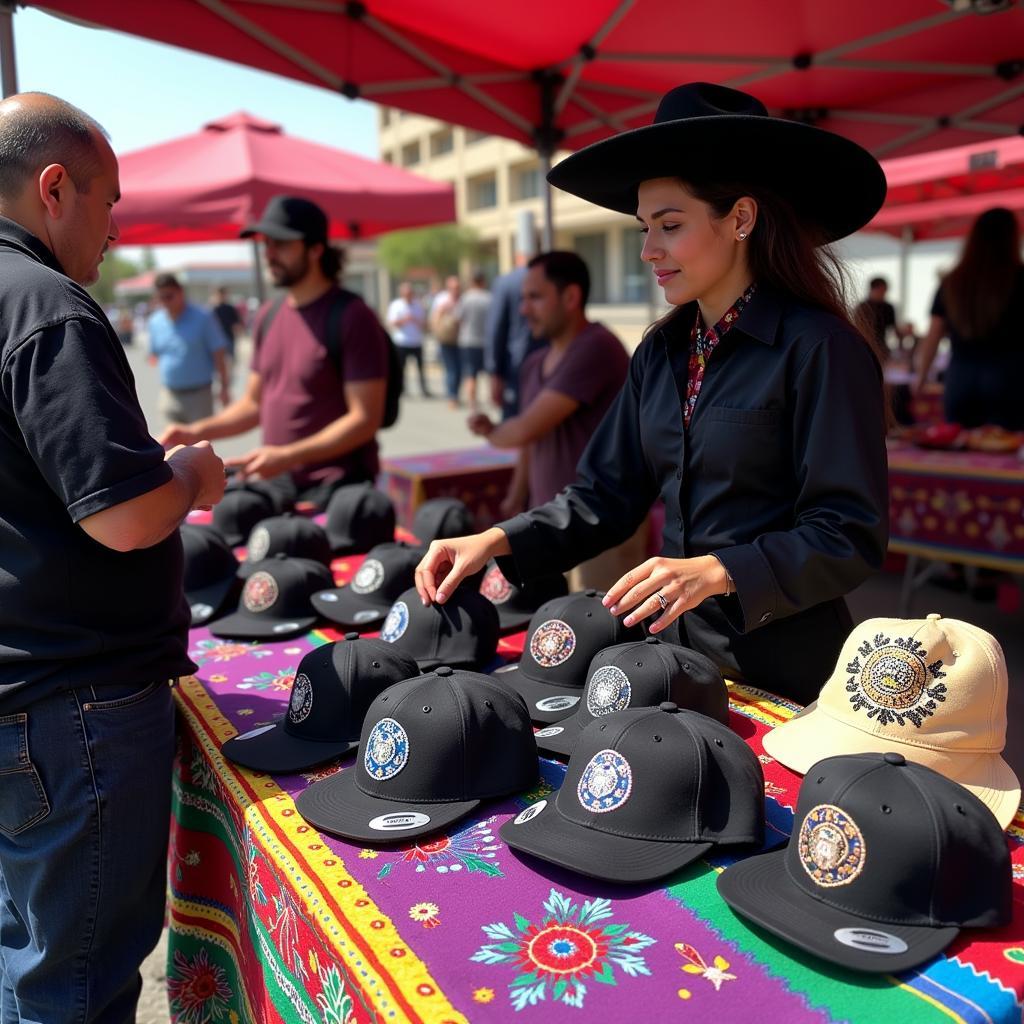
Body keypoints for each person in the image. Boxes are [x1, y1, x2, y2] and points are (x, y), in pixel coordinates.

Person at [415, 81, 890, 705]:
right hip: (673, 664)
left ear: (741, 218)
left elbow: (848, 534)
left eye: (669, 225)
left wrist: (719, 571)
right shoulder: (662, 351)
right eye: (644, 227)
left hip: (789, 672)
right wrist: (495, 541)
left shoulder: (820, 349)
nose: (647, 250)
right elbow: (604, 495)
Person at [0, 93, 226, 1021]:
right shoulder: (48, 304)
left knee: (31, 957)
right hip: (72, 702)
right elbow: (124, 520)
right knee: (74, 982)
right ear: (56, 188)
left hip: (26, 689)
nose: (116, 227)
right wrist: (188, 477)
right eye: (109, 200)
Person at [160, 195, 389, 509]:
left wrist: (286, 455)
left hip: (337, 489)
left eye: (281, 244)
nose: (269, 254)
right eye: (266, 244)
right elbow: (254, 404)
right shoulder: (269, 314)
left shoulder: (352, 315)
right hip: (278, 484)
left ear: (316, 249)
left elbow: (365, 419)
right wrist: (194, 431)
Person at [469, 251, 642, 590]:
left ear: (571, 297)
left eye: (535, 297)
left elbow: (524, 428)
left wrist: (491, 430)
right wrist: (516, 496)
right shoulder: (535, 362)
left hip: (599, 525)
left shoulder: (596, 347)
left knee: (602, 629)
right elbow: (532, 440)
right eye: (523, 299)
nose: (524, 310)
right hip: (550, 524)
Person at [915, 207, 1024, 430]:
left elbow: (934, 335)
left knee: (957, 449)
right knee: (1005, 452)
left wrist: (921, 377)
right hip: (1010, 379)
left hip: (960, 378)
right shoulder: (1020, 278)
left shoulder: (954, 281)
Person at [147, 272, 231, 425]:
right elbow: (154, 353)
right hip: (169, 394)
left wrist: (224, 387)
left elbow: (219, 353)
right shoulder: (155, 322)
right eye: (161, 298)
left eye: (169, 296)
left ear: (181, 293)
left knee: (199, 446)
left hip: (199, 395)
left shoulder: (203, 317)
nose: (165, 302)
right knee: (171, 446)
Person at [485, 255, 543, 418]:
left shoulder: (507, 282)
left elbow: (495, 329)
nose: (525, 309)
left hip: (517, 366)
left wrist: (495, 372)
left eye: (536, 298)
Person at [454, 270, 491, 413]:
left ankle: (472, 403)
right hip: (485, 341)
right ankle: (491, 398)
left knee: (471, 374)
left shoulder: (466, 298)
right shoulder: (489, 298)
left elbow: (457, 319)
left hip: (468, 341)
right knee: (488, 372)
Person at [387, 280, 430, 397]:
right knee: (401, 368)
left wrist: (415, 320)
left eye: (410, 293)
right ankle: (402, 389)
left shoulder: (418, 305)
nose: (409, 295)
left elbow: (424, 323)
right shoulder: (396, 305)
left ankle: (424, 389)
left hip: (416, 341)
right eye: (406, 293)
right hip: (402, 341)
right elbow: (391, 322)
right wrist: (404, 320)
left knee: (420, 368)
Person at [855, 276, 912, 356]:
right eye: (882, 291)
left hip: (881, 347)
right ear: (873, 289)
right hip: (864, 346)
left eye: (885, 291)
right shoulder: (863, 308)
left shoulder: (887, 308)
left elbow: (894, 329)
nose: (884, 294)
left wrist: (904, 334)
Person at [429, 274, 462, 407]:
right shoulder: (441, 300)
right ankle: (452, 395)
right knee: (451, 368)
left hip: (460, 339)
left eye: (457, 287)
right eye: (453, 287)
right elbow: (434, 319)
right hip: (446, 339)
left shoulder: (462, 300)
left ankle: (455, 394)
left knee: (459, 369)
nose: (455, 290)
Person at [210, 284, 244, 361]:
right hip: (216, 339)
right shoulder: (212, 309)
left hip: (229, 337)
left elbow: (236, 324)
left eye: (223, 294)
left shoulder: (230, 308)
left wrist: (239, 332)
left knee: (231, 361)